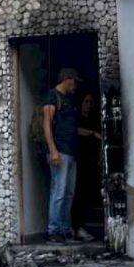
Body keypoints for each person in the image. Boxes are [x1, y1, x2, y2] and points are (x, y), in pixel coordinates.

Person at [42, 68, 95, 243]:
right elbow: (47, 125)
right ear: (67, 79)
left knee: (69, 192)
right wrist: (53, 151)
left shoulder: (69, 99)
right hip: (60, 151)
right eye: (74, 82)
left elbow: (73, 128)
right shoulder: (52, 97)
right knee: (58, 190)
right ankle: (54, 230)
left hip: (72, 152)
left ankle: (65, 229)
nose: (75, 86)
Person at [71, 92, 103, 242]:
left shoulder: (94, 119)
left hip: (91, 161)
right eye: (86, 102)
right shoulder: (76, 117)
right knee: (77, 194)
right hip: (78, 160)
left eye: (91, 102)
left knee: (87, 194)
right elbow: (74, 130)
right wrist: (92, 134)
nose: (89, 105)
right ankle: (76, 227)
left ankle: (81, 226)